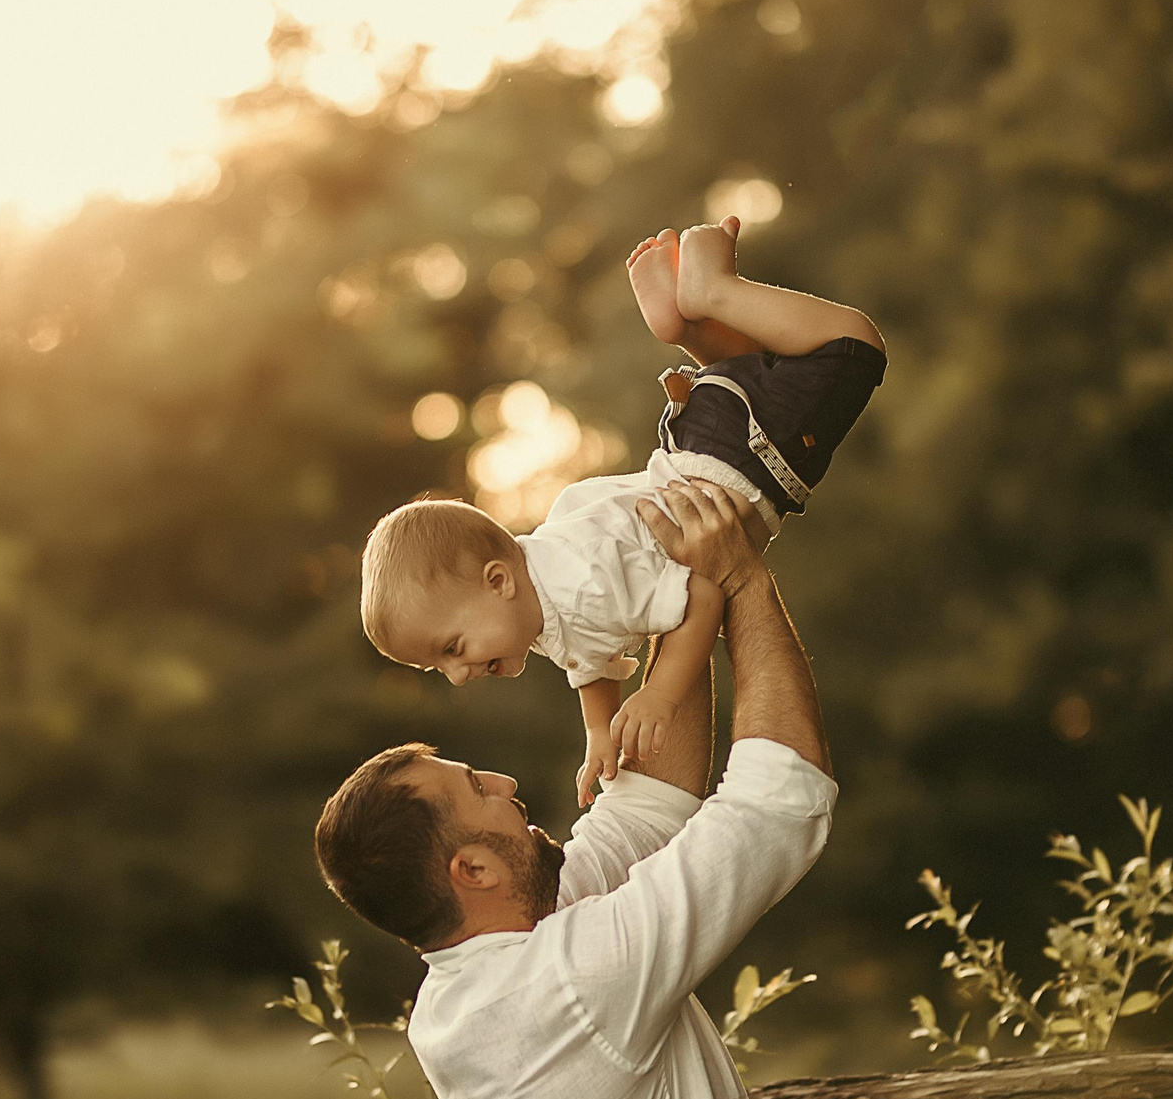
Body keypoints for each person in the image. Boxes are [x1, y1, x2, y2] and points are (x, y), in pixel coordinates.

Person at [314, 480, 836, 1099]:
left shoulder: (495, 975)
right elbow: (780, 803)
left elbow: (646, 810)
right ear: (472, 871)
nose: (508, 779)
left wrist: (673, 581)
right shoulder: (557, 989)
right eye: (478, 788)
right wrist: (744, 583)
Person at [356, 216, 884, 808]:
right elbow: (588, 661)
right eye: (441, 667)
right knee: (771, 358)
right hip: (706, 436)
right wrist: (598, 733)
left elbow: (702, 594)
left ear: (497, 581)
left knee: (853, 348)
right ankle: (688, 325)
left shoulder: (580, 584)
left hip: (740, 455)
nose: (459, 676)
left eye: (453, 648)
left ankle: (713, 291)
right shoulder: (541, 603)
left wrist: (661, 695)